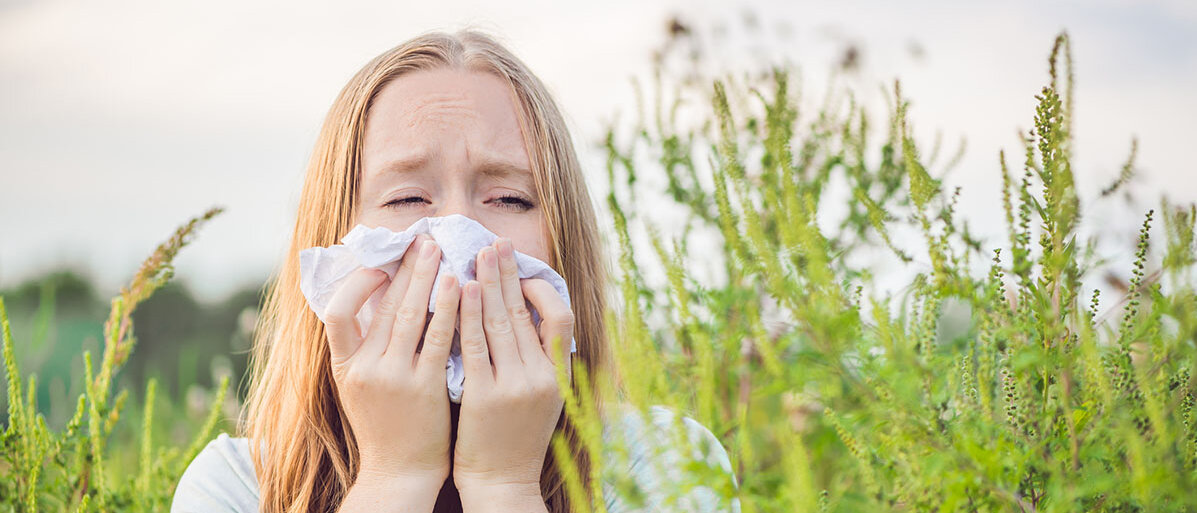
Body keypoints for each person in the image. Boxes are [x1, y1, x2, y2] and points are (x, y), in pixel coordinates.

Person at [170, 28, 739, 513]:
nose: (458, 228)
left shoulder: (662, 464)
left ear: (564, 240)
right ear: (335, 240)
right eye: (408, 199)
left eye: (511, 199)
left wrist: (505, 485)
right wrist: (395, 476)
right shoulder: (238, 487)